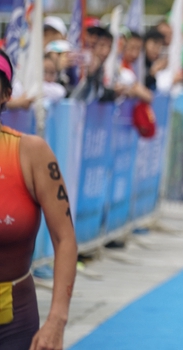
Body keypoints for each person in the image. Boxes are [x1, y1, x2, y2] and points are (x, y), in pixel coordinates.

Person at [0, 48, 77, 350]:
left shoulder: (31, 154)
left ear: (6, 94)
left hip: (14, 323)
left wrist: (57, 320)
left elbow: (65, 238)